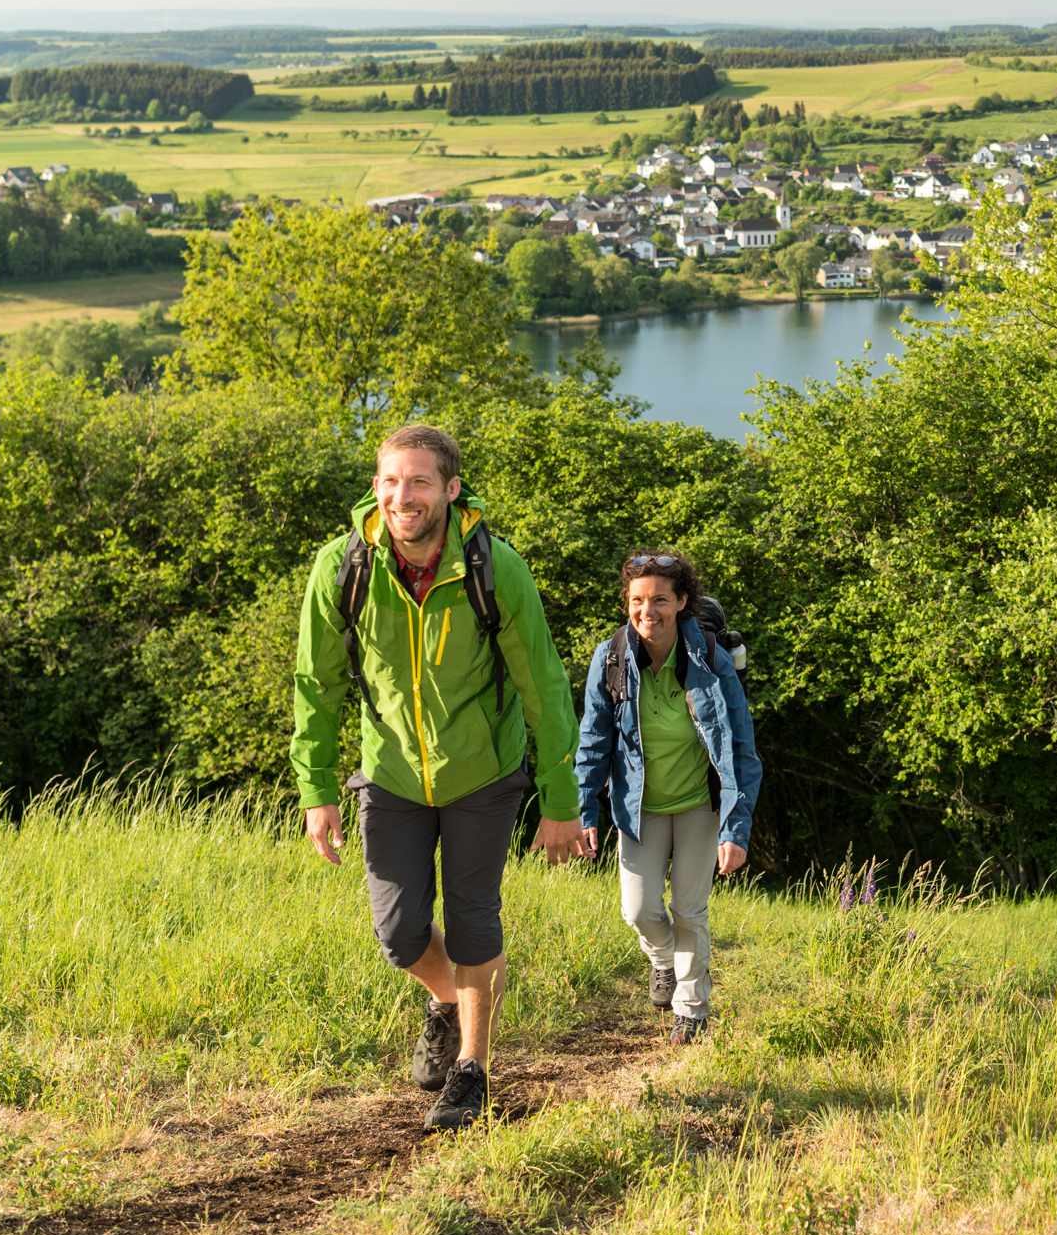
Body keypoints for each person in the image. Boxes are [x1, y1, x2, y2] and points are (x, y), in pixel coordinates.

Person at [291, 424, 585, 1132]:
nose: (403, 496)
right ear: (376, 485)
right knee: (397, 931)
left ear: (451, 489)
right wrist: (317, 790)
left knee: (475, 920)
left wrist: (561, 800)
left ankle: (473, 1070)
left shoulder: (493, 567)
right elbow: (315, 684)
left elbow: (542, 684)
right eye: (391, 480)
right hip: (389, 772)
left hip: (482, 771)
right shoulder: (343, 567)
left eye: (420, 481)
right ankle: (450, 1001)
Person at [575, 550, 762, 1043]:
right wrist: (585, 809)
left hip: (700, 804)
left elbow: (741, 748)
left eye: (660, 599)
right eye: (637, 600)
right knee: (637, 911)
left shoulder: (709, 659)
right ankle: (662, 961)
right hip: (639, 807)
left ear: (681, 602)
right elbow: (593, 739)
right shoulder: (611, 658)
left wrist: (734, 827)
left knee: (689, 909)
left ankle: (692, 1010)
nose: (647, 611)